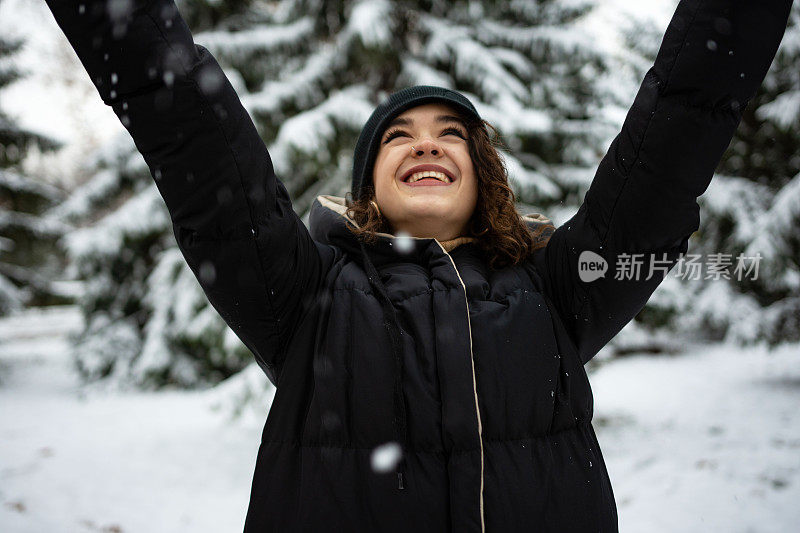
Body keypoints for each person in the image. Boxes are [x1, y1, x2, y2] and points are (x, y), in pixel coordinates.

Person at [44, 0, 791, 531]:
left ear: (482, 174)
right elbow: (191, 132)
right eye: (398, 134)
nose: (426, 143)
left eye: (450, 133)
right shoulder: (304, 297)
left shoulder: (559, 290)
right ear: (369, 184)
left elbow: (675, 136)